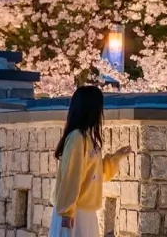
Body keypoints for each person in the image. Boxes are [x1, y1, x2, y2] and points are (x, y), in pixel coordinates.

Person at [49, 86, 131, 237]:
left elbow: (96, 173)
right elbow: (71, 177)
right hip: (74, 213)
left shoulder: (87, 138)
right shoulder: (77, 138)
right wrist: (67, 212)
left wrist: (115, 158)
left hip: (85, 212)